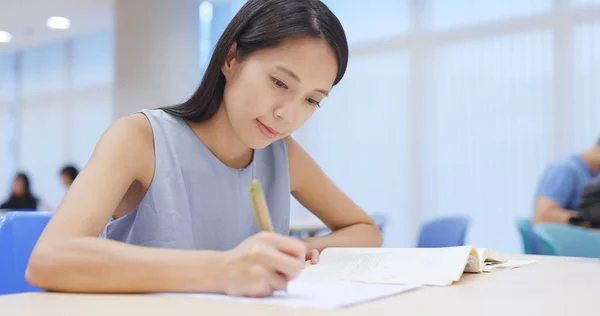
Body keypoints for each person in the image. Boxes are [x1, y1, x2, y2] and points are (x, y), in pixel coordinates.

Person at [27, 0, 383, 298]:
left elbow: (366, 231)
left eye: (311, 100)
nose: (287, 114)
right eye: (279, 82)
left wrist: (291, 255)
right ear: (231, 59)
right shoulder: (139, 138)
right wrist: (226, 268)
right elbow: (48, 259)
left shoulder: (282, 154)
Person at [533, 137, 600, 225]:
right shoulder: (565, 169)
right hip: (560, 237)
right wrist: (585, 222)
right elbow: (542, 216)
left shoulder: (593, 175)